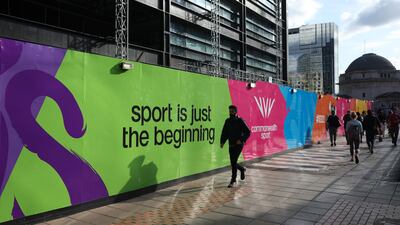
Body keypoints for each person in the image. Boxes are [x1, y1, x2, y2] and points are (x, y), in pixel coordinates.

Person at [220, 105, 251, 188]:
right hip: (231, 144)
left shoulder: (240, 120)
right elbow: (224, 132)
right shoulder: (227, 121)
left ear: (236, 111)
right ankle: (241, 169)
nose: (231, 112)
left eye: (232, 111)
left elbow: (248, 132)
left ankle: (233, 180)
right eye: (230, 111)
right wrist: (222, 141)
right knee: (233, 162)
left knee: (233, 162)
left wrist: (241, 139)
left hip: (239, 145)